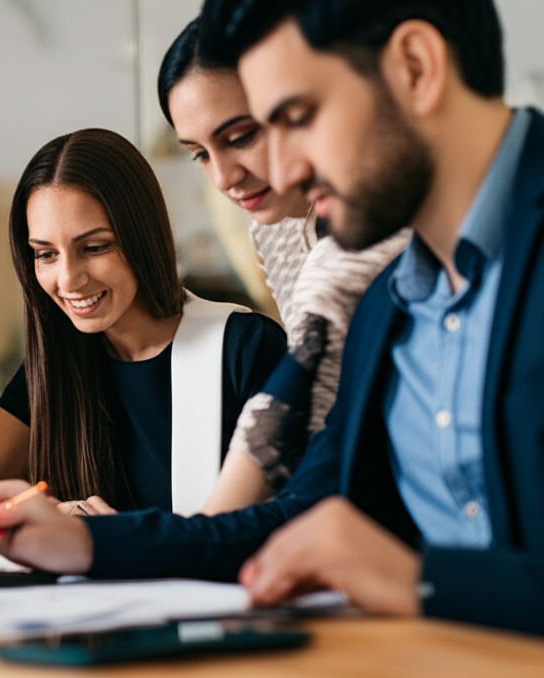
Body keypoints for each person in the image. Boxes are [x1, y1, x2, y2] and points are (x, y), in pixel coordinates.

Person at [0, 0, 544, 645]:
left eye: (295, 118)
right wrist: (84, 540)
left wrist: (426, 583)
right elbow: (285, 523)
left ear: (416, 68)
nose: (279, 175)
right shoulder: (388, 305)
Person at [0, 128, 286, 519]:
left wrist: (109, 539)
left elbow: (285, 520)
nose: (68, 279)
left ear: (142, 236)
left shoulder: (245, 349)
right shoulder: (55, 365)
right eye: (46, 254)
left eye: (94, 247)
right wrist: (48, 512)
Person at [159, 19, 409, 513]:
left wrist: (189, 537)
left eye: (242, 136)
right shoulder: (273, 229)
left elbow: (289, 416)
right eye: (199, 155)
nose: (224, 177)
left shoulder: (368, 232)